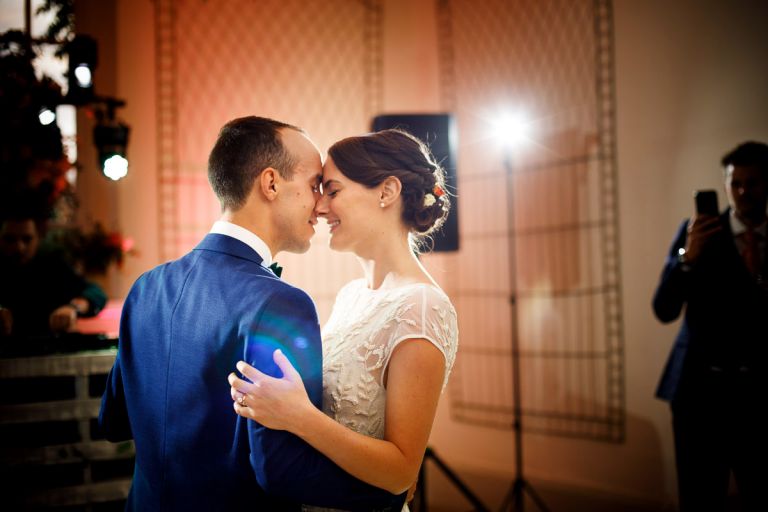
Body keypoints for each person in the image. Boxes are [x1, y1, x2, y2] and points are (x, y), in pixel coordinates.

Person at [98, 117, 405, 511]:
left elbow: (114, 421)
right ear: (271, 183)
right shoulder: (279, 303)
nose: (321, 204)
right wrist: (386, 493)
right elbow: (279, 468)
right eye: (314, 185)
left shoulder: (144, 288)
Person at [228, 129, 459, 512]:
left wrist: (299, 417)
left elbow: (401, 471)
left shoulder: (423, 308)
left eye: (332, 191)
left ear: (387, 192)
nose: (318, 207)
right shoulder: (352, 295)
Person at [653, 141, 768, 511]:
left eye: (753, 183)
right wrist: (688, 258)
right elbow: (663, 308)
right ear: (725, 185)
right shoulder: (696, 231)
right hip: (699, 396)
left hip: (759, 395)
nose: (743, 192)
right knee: (700, 498)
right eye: (735, 184)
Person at [0, 208, 106, 338]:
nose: (19, 247)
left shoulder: (53, 265)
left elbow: (96, 292)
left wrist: (72, 307)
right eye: (9, 239)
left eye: (27, 239)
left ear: (38, 239)